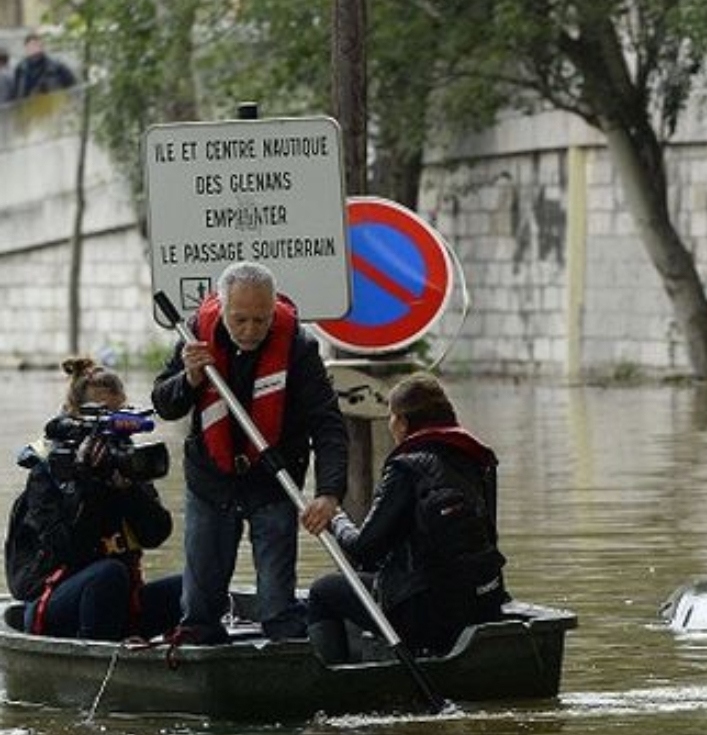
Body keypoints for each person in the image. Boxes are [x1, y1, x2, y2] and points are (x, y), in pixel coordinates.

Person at [151, 261, 347, 644]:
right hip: (210, 481)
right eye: (240, 319)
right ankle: (201, 660)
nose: (251, 331)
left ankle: (288, 663)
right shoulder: (194, 335)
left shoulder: (299, 347)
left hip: (274, 482)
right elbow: (164, 403)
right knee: (199, 606)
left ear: (273, 310)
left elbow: (328, 425)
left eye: (261, 320)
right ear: (221, 307)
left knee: (277, 606)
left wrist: (329, 493)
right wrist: (188, 380)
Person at [306, 372, 508, 662]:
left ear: (401, 422)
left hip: (425, 613)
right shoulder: (479, 461)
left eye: (391, 418)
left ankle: (332, 685)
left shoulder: (406, 469)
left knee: (324, 591)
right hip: (483, 600)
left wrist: (337, 519)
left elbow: (364, 548)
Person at [7, 358, 182, 640]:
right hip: (55, 603)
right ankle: (96, 663)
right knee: (108, 574)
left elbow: (155, 535)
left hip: (121, 599)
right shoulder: (48, 470)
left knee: (200, 586)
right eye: (105, 423)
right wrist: (88, 484)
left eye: (120, 421)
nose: (114, 435)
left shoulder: (125, 461)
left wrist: (128, 489)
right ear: (77, 417)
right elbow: (66, 548)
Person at [11, 32, 76, 100]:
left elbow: (73, 86)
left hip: (52, 107)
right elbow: (17, 92)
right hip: (29, 108)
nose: (35, 48)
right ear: (26, 47)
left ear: (42, 46)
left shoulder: (57, 66)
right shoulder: (21, 68)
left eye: (37, 45)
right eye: (32, 45)